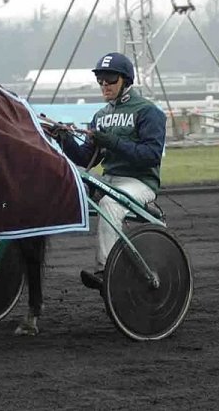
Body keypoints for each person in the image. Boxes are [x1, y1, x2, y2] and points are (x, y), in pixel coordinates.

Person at [53, 52, 166, 290]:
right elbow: (86, 158)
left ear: (126, 80)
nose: (104, 85)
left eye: (110, 80)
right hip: (109, 180)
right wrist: (64, 140)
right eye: (100, 80)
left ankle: (106, 271)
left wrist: (112, 141)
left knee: (110, 204)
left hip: (139, 182)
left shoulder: (148, 112)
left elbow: (151, 156)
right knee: (70, 185)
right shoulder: (100, 116)